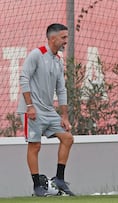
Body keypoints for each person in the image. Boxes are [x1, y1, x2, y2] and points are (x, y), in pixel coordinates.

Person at [17, 23, 75, 196]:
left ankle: (59, 179)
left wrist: (64, 116)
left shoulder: (58, 59)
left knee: (68, 138)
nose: (66, 41)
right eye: (63, 37)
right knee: (35, 145)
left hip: (49, 111)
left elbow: (61, 89)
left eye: (66, 37)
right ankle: (37, 186)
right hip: (32, 110)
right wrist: (29, 106)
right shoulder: (37, 54)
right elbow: (24, 78)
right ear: (52, 38)